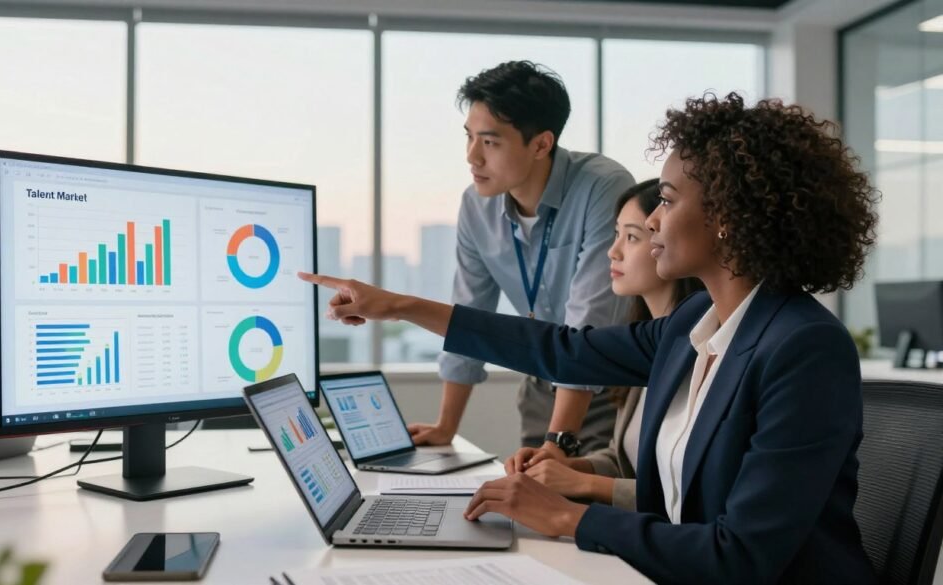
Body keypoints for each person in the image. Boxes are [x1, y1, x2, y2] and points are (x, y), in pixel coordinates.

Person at [300, 92, 879, 584]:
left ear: (727, 216)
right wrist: (399, 306)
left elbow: (742, 557)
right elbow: (561, 349)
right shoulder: (693, 324)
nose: (652, 220)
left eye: (669, 202)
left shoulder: (803, 347)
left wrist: (565, 517)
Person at [408, 60, 635, 459]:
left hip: (609, 383)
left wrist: (557, 443)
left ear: (541, 144)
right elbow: (470, 313)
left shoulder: (602, 186)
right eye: (469, 138)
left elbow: (589, 321)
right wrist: (446, 427)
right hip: (541, 382)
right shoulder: (476, 206)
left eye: (490, 142)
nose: (472, 157)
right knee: (529, 507)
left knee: (589, 507)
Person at [513, 178, 703, 512]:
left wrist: (585, 484)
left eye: (631, 237)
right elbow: (622, 458)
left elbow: (685, 494)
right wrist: (572, 467)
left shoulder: (698, 352)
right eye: (616, 235)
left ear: (665, 242)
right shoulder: (641, 343)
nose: (612, 252)